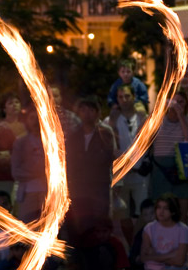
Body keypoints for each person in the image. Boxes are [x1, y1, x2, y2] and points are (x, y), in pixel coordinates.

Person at [65, 97, 117, 246]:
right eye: (83, 109)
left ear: (97, 113)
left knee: (100, 223)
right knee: (80, 224)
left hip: (99, 186)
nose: (86, 113)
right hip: (78, 187)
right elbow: (70, 159)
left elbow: (107, 156)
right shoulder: (74, 135)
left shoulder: (105, 133)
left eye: (90, 110)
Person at [106, 84, 148, 217]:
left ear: (134, 97)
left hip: (140, 173)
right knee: (122, 215)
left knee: (143, 213)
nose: (124, 99)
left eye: (127, 96)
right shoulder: (111, 120)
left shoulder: (143, 118)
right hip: (121, 174)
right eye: (120, 97)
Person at [151, 91, 188, 223]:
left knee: (183, 205)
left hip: (182, 166)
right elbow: (143, 132)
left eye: (181, 102)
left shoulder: (186, 119)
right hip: (161, 167)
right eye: (174, 101)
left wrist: (180, 115)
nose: (176, 104)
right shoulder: (159, 119)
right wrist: (160, 109)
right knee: (161, 205)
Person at [11, 108, 47, 223]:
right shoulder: (20, 142)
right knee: (27, 229)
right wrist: (38, 171)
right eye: (32, 118)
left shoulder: (51, 141)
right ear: (27, 121)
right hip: (27, 193)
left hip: (48, 192)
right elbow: (16, 172)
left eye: (38, 118)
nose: (35, 122)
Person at [141, 193, 188, 270]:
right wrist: (171, 255)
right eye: (159, 207)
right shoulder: (149, 228)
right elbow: (144, 257)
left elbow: (180, 261)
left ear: (173, 211)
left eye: (166, 208)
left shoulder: (183, 230)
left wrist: (154, 256)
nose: (161, 211)